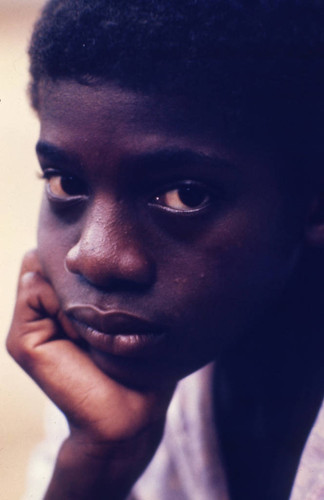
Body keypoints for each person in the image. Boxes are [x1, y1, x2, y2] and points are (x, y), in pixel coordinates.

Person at [6, 1, 324, 499]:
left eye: (184, 196)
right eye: (66, 183)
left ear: (314, 205)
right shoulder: (148, 364)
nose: (94, 256)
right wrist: (98, 463)